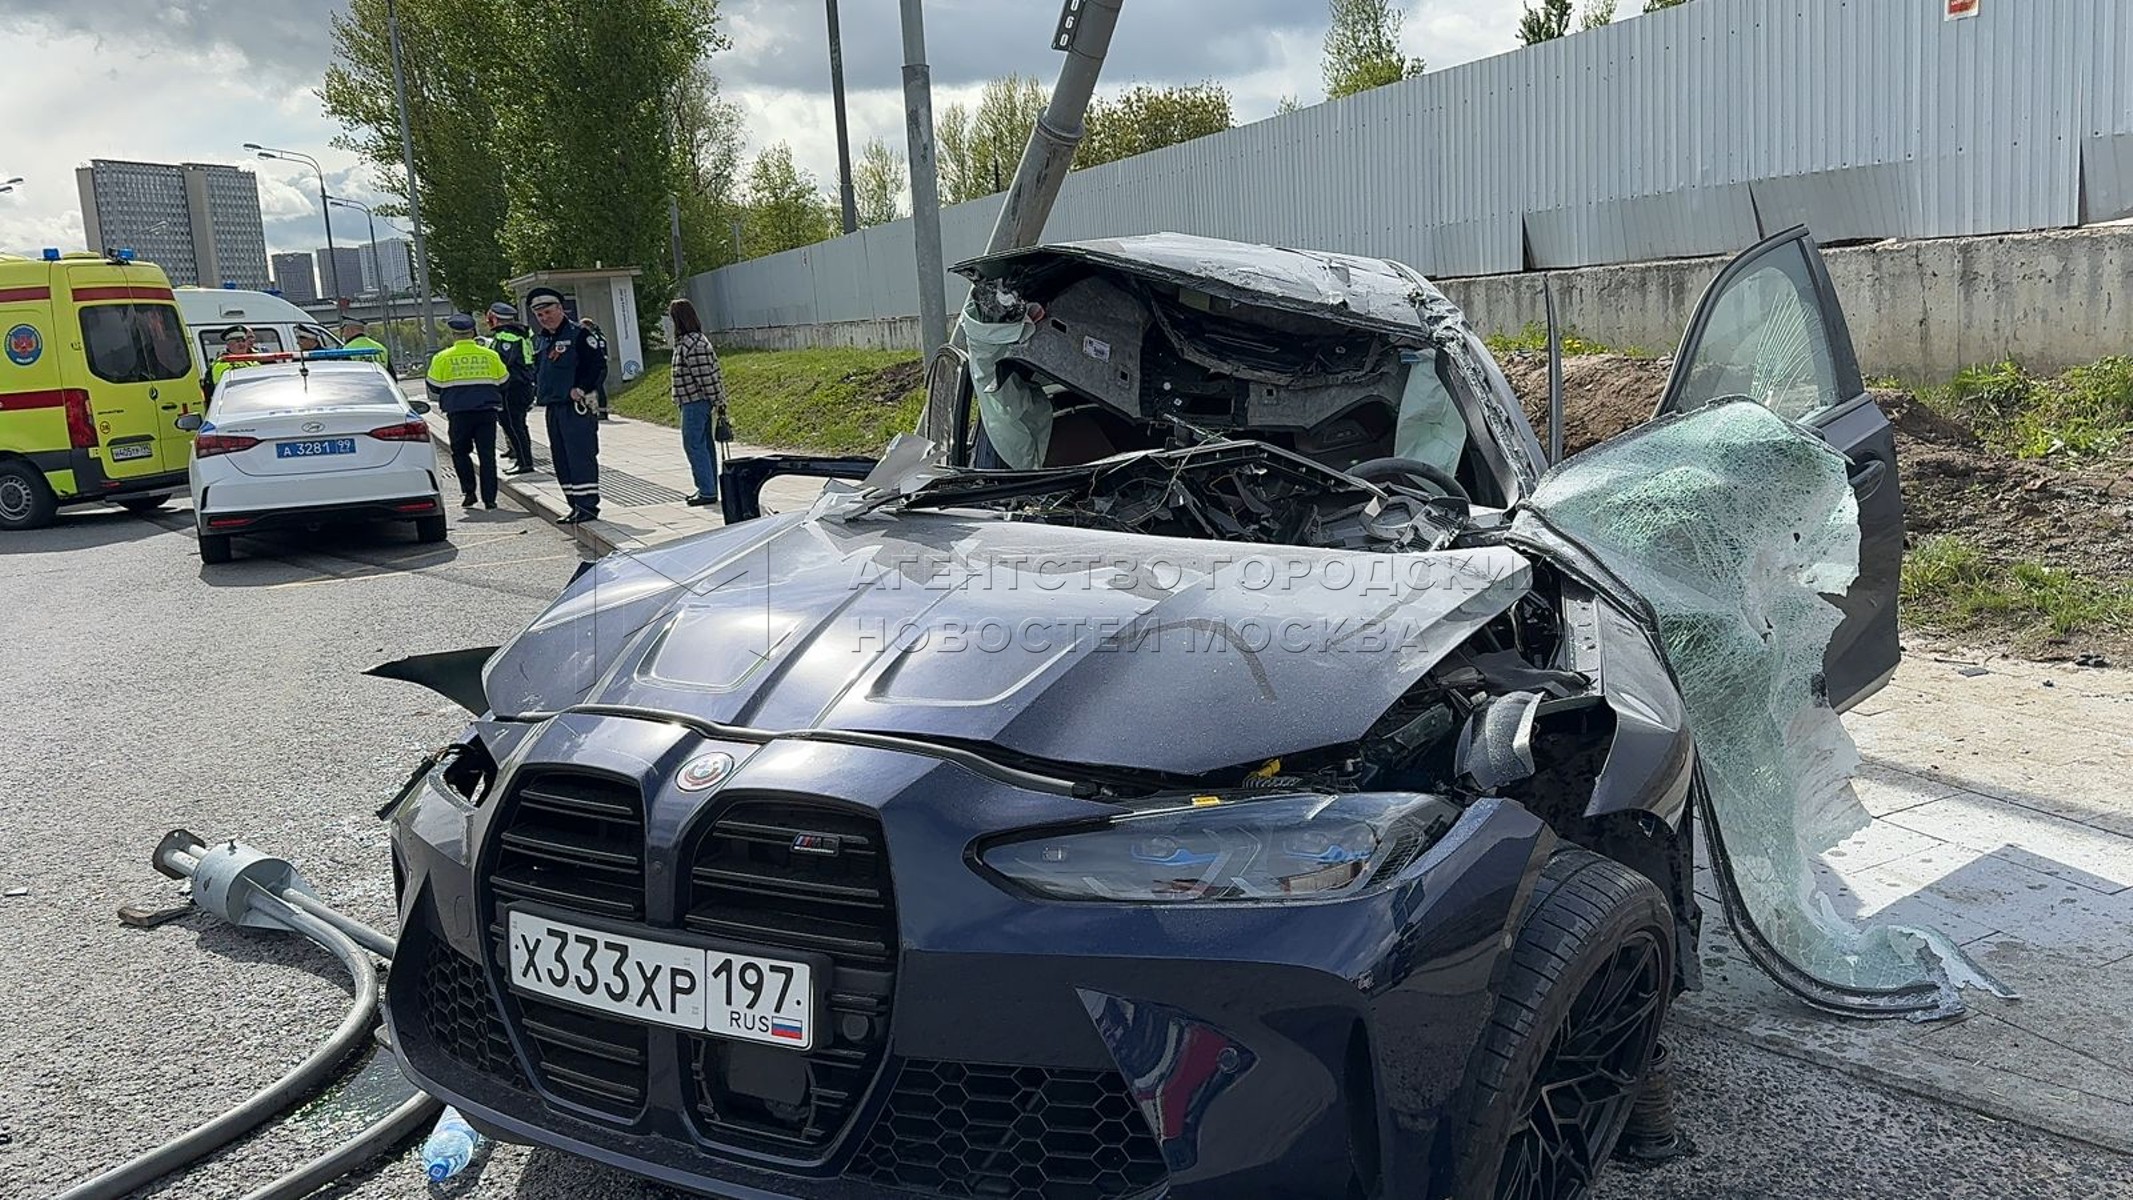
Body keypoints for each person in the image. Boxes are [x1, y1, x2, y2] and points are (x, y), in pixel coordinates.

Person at [528, 287, 607, 524]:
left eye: (548, 312)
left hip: (576, 407)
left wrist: (581, 388)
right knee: (561, 458)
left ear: (561, 309)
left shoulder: (580, 335)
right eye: (540, 315)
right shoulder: (542, 339)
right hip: (553, 407)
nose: (544, 318)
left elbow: (596, 367)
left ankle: (587, 506)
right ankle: (574, 505)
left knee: (579, 456)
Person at [425, 314, 509, 510]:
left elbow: (434, 386)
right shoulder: (490, 355)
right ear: (472, 333)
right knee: (487, 455)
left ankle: (469, 491)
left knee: (460, 452)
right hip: (486, 412)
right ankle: (490, 499)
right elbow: (504, 381)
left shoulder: (443, 357)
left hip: (458, 414)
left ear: (454, 335)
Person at [668, 298, 725, 507]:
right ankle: (708, 487)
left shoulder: (692, 344)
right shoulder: (691, 341)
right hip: (693, 401)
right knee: (704, 445)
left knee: (694, 444)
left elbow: (706, 377)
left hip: (695, 401)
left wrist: (718, 400)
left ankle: (707, 490)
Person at [485, 301, 538, 475]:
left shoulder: (505, 337)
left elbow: (502, 363)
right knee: (519, 425)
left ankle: (524, 463)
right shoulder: (519, 334)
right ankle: (524, 460)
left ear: (495, 318)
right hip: (522, 385)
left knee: (513, 426)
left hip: (512, 387)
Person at [204, 325, 262, 399]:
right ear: (228, 345)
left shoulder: (253, 362)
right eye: (237, 341)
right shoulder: (222, 364)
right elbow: (230, 389)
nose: (242, 344)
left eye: (243, 341)